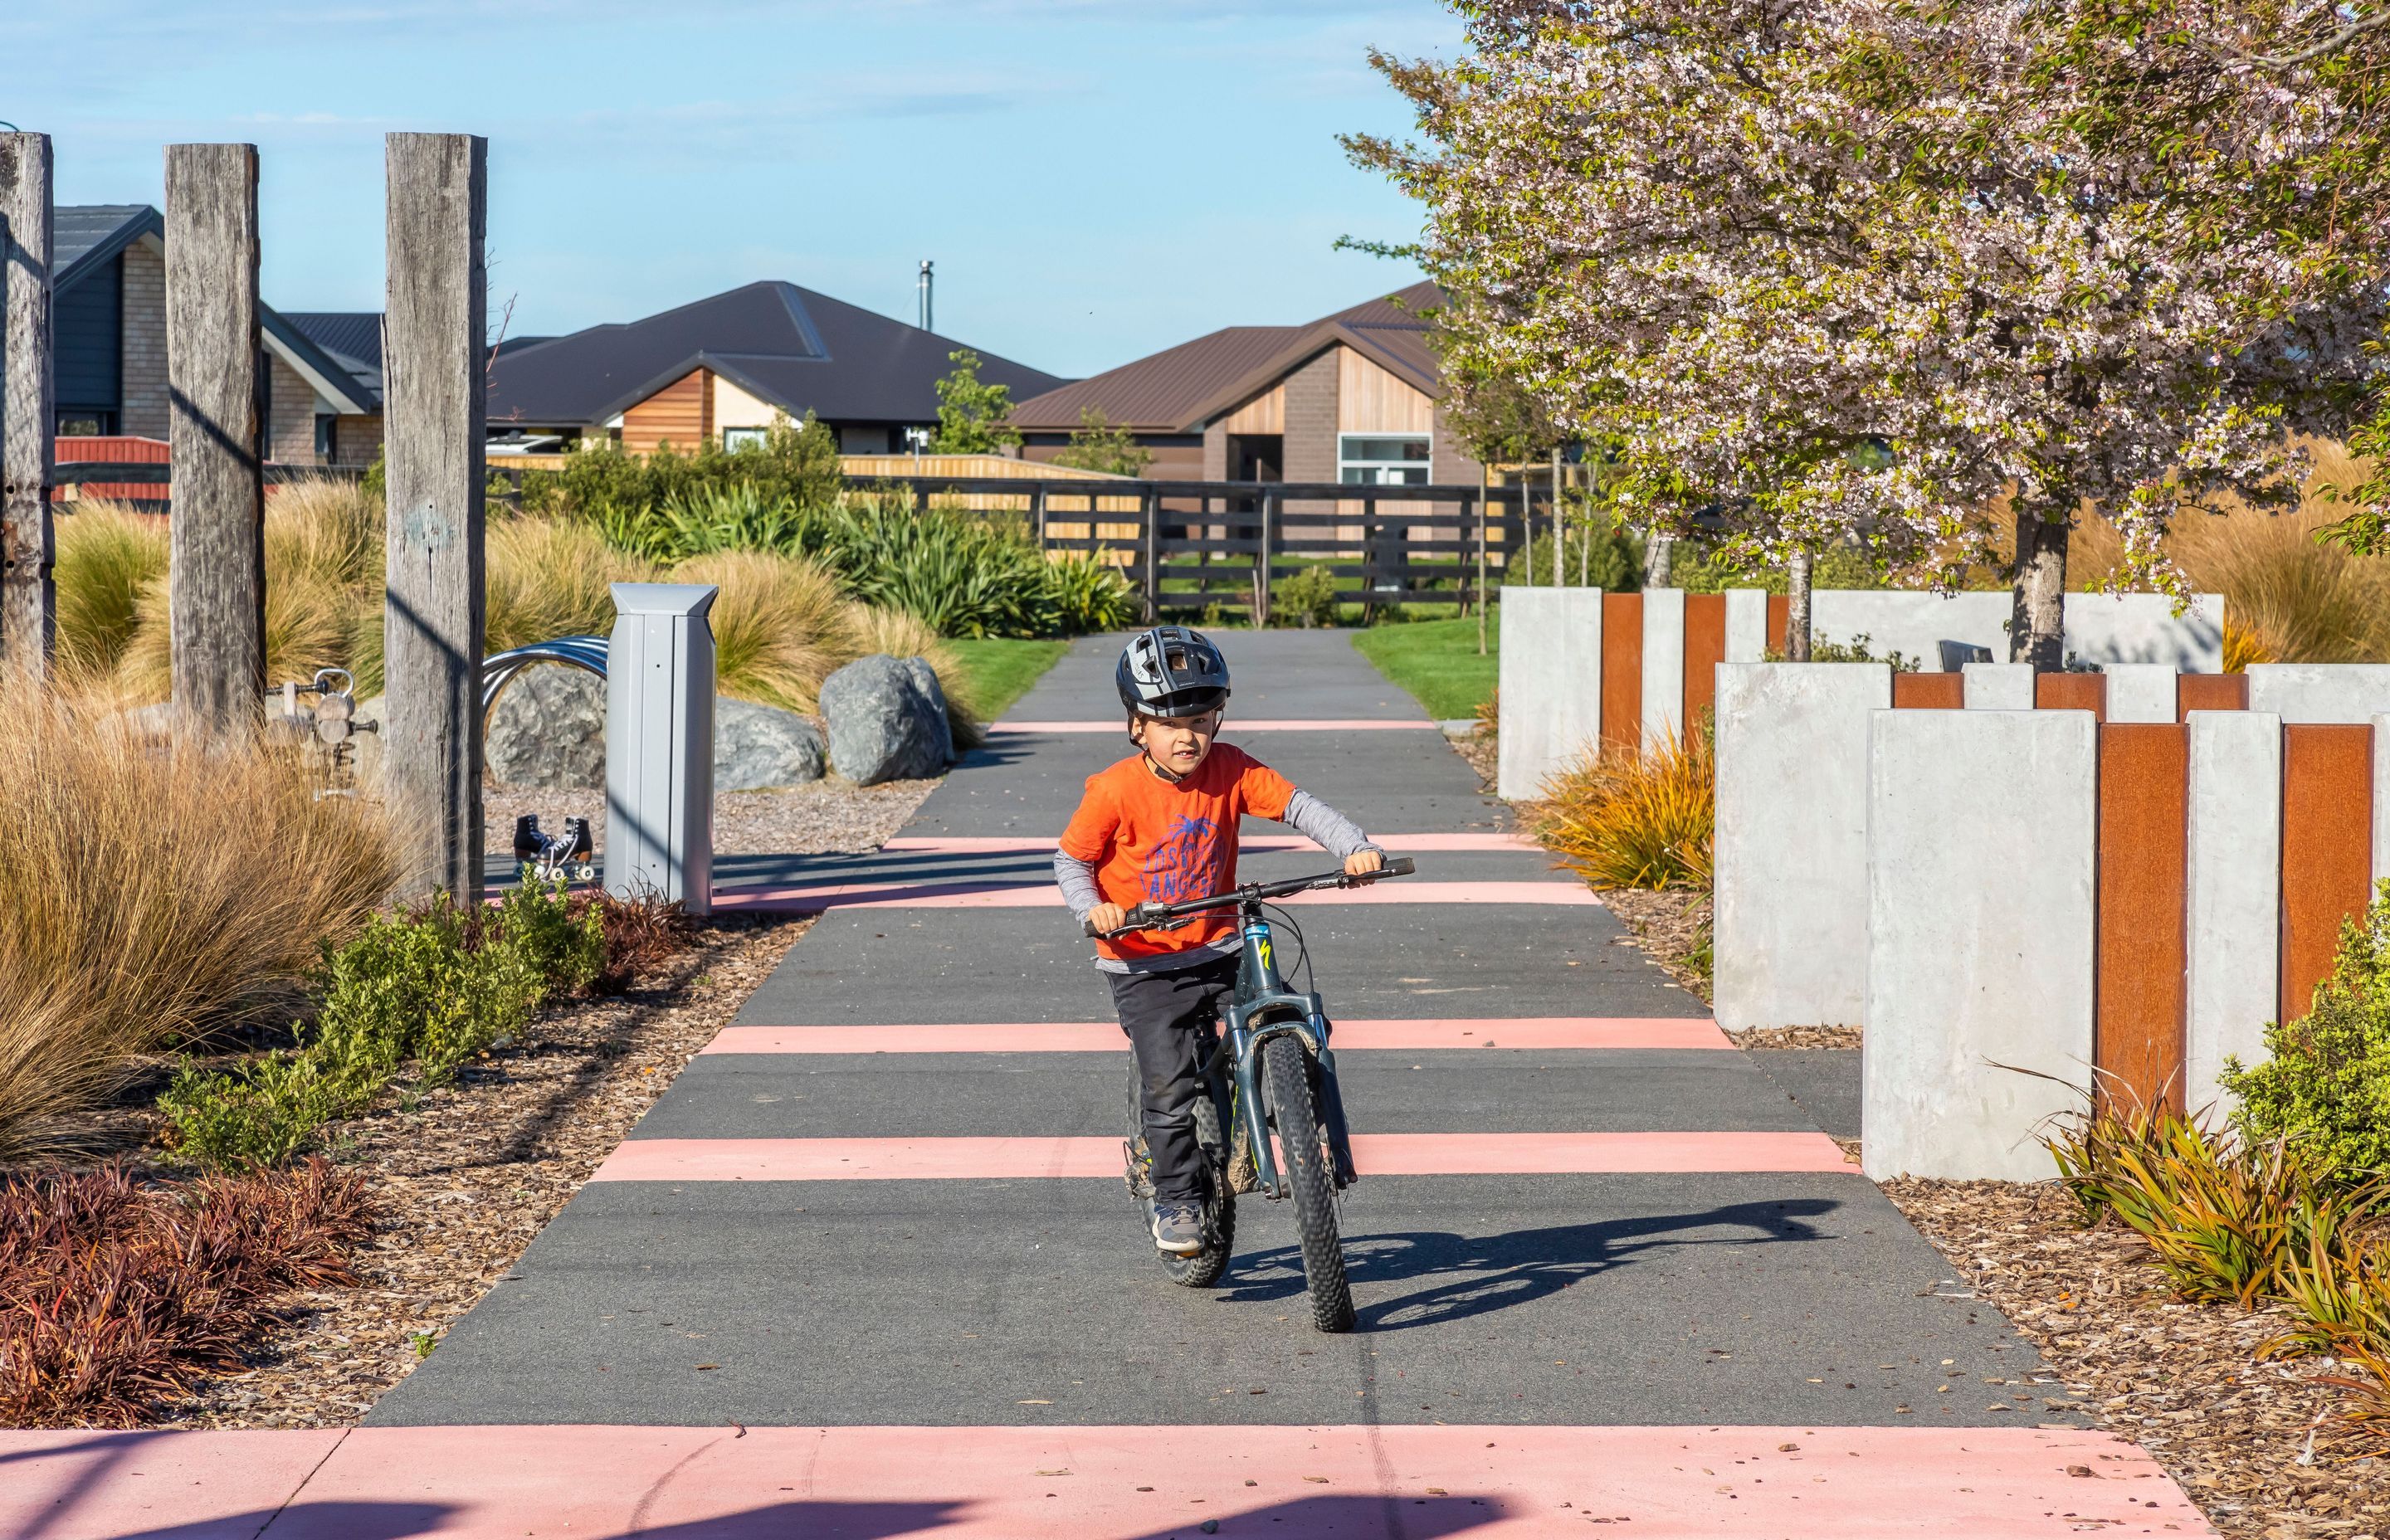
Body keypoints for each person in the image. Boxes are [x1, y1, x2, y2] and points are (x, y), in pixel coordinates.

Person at [1053, 626, 1384, 1255]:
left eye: (1202, 720)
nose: (1188, 737)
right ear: (1136, 727)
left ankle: (1301, 1121)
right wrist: (1094, 911)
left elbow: (1299, 807)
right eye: (1169, 722)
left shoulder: (1231, 768)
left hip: (1221, 945)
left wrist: (1355, 848)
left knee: (1295, 1018)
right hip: (1145, 965)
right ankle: (1176, 1197)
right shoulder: (1115, 790)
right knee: (1171, 1086)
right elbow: (1070, 862)